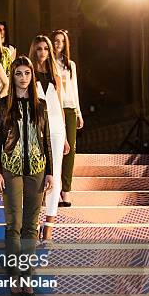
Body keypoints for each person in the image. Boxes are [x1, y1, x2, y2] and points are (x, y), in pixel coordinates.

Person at [0, 56, 53, 296]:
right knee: (14, 224)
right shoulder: (2, 105)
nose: (23, 78)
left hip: (37, 168)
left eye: (27, 73)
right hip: (11, 167)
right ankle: (15, 276)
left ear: (32, 76)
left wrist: (50, 171)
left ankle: (27, 276)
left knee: (31, 226)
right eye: (18, 73)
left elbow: (46, 138)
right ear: (12, 75)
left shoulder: (41, 105)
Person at [29, 35, 69, 241]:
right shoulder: (28, 75)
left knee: (55, 177)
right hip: (35, 131)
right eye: (39, 49)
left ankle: (49, 226)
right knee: (36, 177)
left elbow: (60, 107)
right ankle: (34, 223)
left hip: (56, 131)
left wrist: (65, 138)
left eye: (45, 48)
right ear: (33, 51)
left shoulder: (57, 76)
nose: (42, 52)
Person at [52, 29, 83, 207]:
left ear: (65, 44)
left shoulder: (70, 65)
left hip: (70, 108)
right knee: (56, 150)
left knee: (69, 149)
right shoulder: (47, 63)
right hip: (54, 108)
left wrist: (78, 112)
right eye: (56, 40)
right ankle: (54, 190)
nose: (58, 44)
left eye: (61, 41)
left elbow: (74, 89)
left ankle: (66, 190)